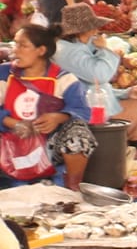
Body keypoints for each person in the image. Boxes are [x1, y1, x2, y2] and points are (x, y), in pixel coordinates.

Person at [6, 23, 98, 189]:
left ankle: (73, 189)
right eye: (14, 44)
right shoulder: (5, 74)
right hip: (8, 144)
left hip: (46, 147)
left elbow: (83, 111)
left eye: (23, 45)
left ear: (41, 51)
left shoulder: (63, 78)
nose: (15, 50)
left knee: (78, 132)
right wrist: (13, 123)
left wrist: (58, 117)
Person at [56, 5, 137, 151]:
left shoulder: (77, 47)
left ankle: (130, 152)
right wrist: (105, 50)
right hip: (85, 112)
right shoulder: (69, 53)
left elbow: (95, 88)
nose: (96, 32)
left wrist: (125, 93)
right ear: (81, 31)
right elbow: (99, 76)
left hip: (95, 103)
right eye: (93, 28)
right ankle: (128, 152)